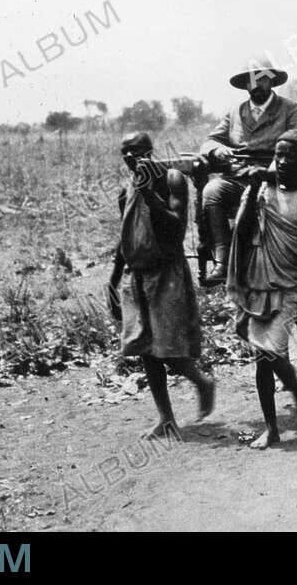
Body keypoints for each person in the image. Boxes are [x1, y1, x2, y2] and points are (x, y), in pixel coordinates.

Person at [107, 132, 215, 440]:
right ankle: (166, 418)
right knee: (145, 349)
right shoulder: (125, 190)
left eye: (138, 151)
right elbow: (125, 235)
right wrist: (113, 280)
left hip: (167, 272)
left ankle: (201, 382)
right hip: (136, 273)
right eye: (126, 153)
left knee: (168, 347)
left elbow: (176, 226)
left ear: (151, 152)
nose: (131, 158)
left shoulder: (172, 180)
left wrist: (150, 195)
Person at [226, 129, 297, 449]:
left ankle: (296, 392)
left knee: (269, 351)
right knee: (261, 357)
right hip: (259, 281)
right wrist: (252, 191)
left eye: (289, 155)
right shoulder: (262, 190)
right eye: (277, 155)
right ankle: (272, 427)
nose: (281, 161)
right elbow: (240, 230)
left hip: (292, 284)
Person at [198, 63, 297, 286]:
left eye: (261, 78)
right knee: (212, 190)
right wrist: (216, 149)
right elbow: (210, 140)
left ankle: (277, 270)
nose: (256, 85)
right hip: (239, 178)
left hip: (275, 180)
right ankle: (222, 262)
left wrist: (275, 163)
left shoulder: (289, 109)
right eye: (250, 81)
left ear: (270, 81)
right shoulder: (235, 112)